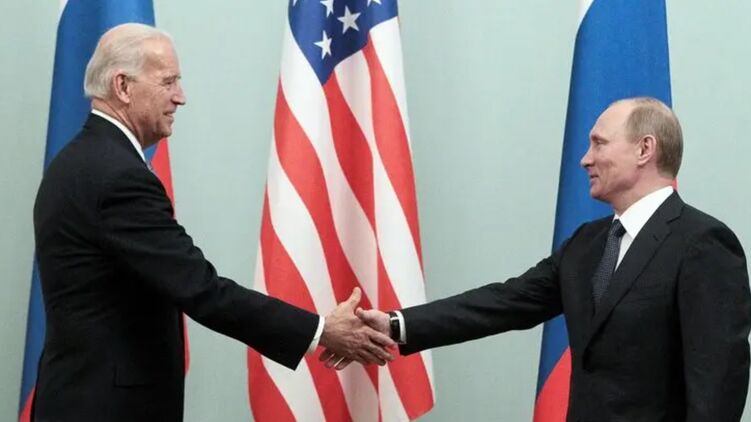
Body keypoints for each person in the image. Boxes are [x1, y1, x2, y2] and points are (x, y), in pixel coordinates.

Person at [32, 23, 393, 422]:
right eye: (168, 82)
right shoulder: (117, 177)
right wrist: (321, 330)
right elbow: (201, 289)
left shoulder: (78, 162)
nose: (180, 97)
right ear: (123, 86)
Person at [341, 97, 751, 421]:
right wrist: (396, 324)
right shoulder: (588, 244)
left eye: (599, 143)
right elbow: (505, 302)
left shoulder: (702, 244)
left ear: (645, 149)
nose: (585, 159)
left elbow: (718, 382)